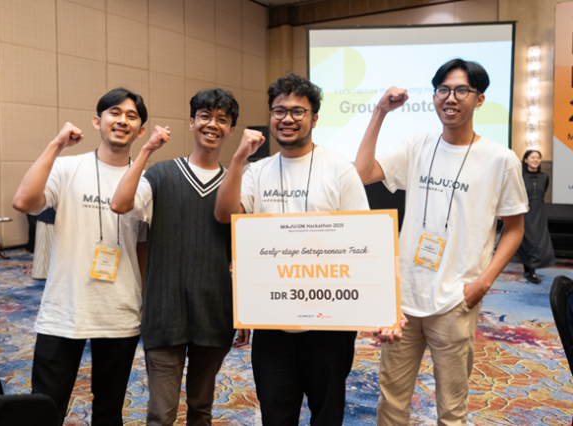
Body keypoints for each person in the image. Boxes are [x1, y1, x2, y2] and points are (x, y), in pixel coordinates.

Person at [214, 73, 403, 426]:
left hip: (331, 319)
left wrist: (383, 307)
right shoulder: (256, 171)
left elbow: (365, 241)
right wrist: (238, 158)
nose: (287, 118)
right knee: (275, 414)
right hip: (271, 318)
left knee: (327, 413)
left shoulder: (339, 169)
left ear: (314, 118)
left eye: (297, 111)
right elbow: (225, 215)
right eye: (279, 111)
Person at [355, 59, 528, 425]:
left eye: (461, 90)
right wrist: (380, 111)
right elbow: (363, 171)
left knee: (451, 409)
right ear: (434, 96)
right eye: (443, 90)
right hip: (405, 299)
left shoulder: (502, 160)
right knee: (391, 402)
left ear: (479, 99)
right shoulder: (417, 145)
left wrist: (482, 283)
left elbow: (514, 228)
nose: (451, 98)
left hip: (455, 299)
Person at [12, 88, 157, 426]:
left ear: (140, 131)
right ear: (97, 121)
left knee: (108, 411)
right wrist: (56, 144)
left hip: (118, 309)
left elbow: (142, 245)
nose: (122, 121)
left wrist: (144, 298)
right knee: (45, 409)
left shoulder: (145, 181)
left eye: (131, 116)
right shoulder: (67, 167)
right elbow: (23, 202)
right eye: (114, 112)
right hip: (64, 307)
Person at [110, 89, 250, 426]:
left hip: (214, 312)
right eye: (204, 116)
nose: (212, 124)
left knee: (201, 408)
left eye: (222, 120)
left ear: (231, 130)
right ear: (191, 122)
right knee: (161, 413)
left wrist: (245, 311)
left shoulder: (236, 185)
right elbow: (120, 203)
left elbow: (245, 252)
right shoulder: (161, 175)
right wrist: (146, 150)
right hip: (164, 312)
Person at [517, 149, 556, 284]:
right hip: (525, 213)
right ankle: (529, 271)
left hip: (539, 213)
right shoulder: (520, 177)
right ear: (526, 160)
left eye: (538, 158)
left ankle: (531, 269)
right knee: (527, 241)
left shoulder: (544, 177)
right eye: (532, 157)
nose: (535, 160)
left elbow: (542, 192)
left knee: (539, 241)